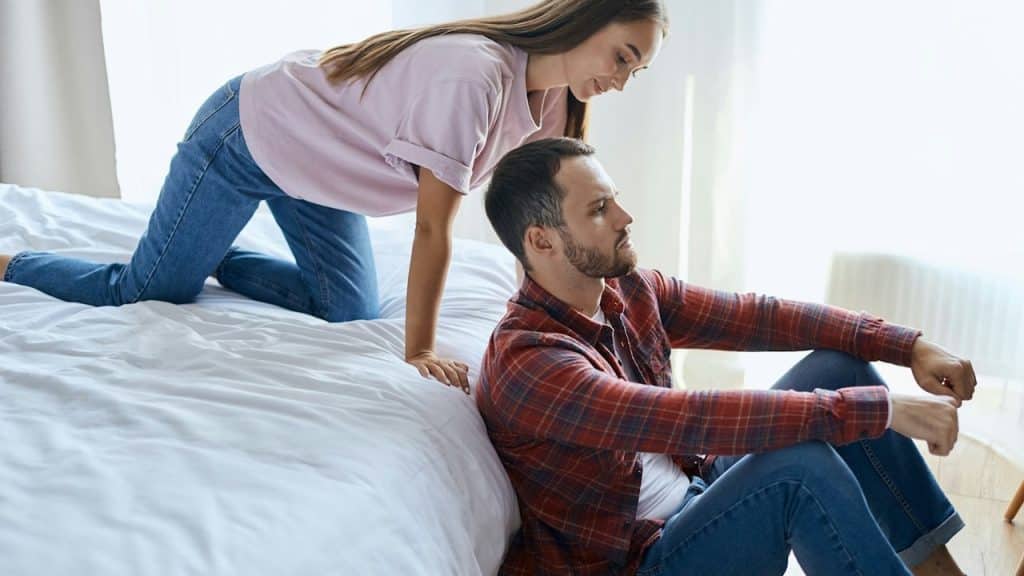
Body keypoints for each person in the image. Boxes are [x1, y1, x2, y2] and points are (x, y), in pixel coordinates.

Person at [0, 0, 668, 392]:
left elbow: (533, 229)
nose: (622, 78)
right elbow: (433, 231)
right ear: (588, 18)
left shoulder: (551, 104)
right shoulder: (476, 77)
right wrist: (419, 352)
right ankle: (13, 264)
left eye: (637, 71)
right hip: (250, 134)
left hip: (317, 174)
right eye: (622, 56)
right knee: (145, 290)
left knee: (344, 309)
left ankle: (213, 249)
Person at [476, 137, 975, 575]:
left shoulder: (625, 290)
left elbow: (759, 317)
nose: (625, 218)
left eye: (616, 199)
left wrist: (908, 346)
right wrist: (882, 409)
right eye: (599, 209)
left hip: (694, 490)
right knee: (801, 468)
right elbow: (687, 420)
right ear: (542, 241)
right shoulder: (530, 363)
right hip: (638, 561)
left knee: (838, 368)